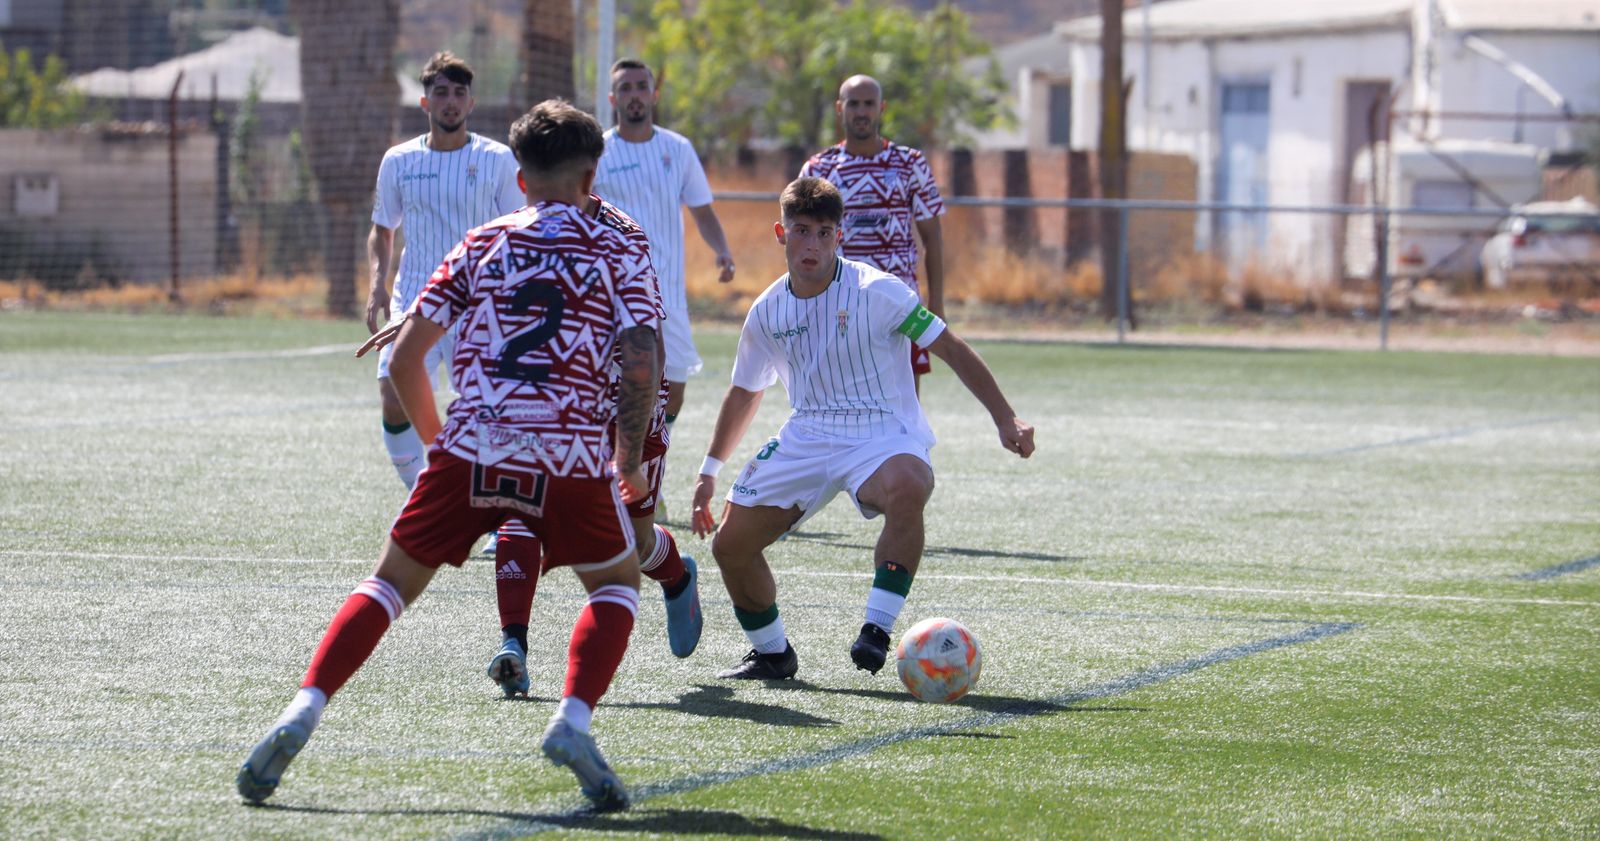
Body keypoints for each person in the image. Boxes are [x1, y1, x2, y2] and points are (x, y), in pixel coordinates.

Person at [238, 99, 659, 812]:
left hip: (471, 445)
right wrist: (630, 455)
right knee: (616, 584)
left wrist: (445, 451)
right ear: (593, 176)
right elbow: (642, 356)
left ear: (519, 180)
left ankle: (302, 709)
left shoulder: (482, 239)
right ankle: (572, 718)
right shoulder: (620, 244)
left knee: (389, 584)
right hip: (567, 452)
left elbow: (406, 362)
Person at [688, 177, 1034, 681]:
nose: (812, 245)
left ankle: (876, 628)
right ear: (780, 233)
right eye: (801, 231)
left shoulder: (879, 292)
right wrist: (710, 469)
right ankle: (772, 653)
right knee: (730, 546)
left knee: (909, 485)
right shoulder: (766, 311)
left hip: (881, 430)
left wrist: (1006, 417)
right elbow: (745, 391)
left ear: (839, 237)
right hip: (807, 432)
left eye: (824, 233)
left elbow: (951, 348)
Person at [361, 195, 705, 697]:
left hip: (625, 402)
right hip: (554, 404)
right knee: (517, 510)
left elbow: (642, 339)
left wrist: (628, 445)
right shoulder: (514, 227)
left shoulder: (623, 236)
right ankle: (513, 644)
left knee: (633, 539)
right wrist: (420, 316)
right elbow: (494, 289)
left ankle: (675, 578)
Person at [366, 51, 524, 490]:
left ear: (471, 103)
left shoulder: (499, 160)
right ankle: (425, 497)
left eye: (459, 93)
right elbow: (382, 230)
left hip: (479, 305)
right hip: (413, 299)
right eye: (441, 93)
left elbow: (519, 231)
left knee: (488, 410)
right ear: (425, 103)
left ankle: (503, 515)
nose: (451, 101)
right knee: (393, 399)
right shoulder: (398, 160)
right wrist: (378, 282)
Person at [591, 57, 736, 444]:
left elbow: (702, 211)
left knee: (676, 381)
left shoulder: (678, 148)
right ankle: (619, 462)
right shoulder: (598, 152)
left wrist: (722, 250)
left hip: (667, 291)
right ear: (612, 98)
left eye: (641, 87)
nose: (634, 95)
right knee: (618, 379)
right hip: (613, 292)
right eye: (625, 88)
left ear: (654, 95)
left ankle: (649, 451)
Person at [799, 74, 946, 392]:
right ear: (840, 109)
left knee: (905, 405)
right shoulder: (818, 169)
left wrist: (937, 304)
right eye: (854, 104)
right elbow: (801, 243)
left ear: (882, 108)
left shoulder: (910, 164)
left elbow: (933, 237)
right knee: (839, 399)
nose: (861, 112)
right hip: (838, 302)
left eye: (869, 104)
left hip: (900, 302)